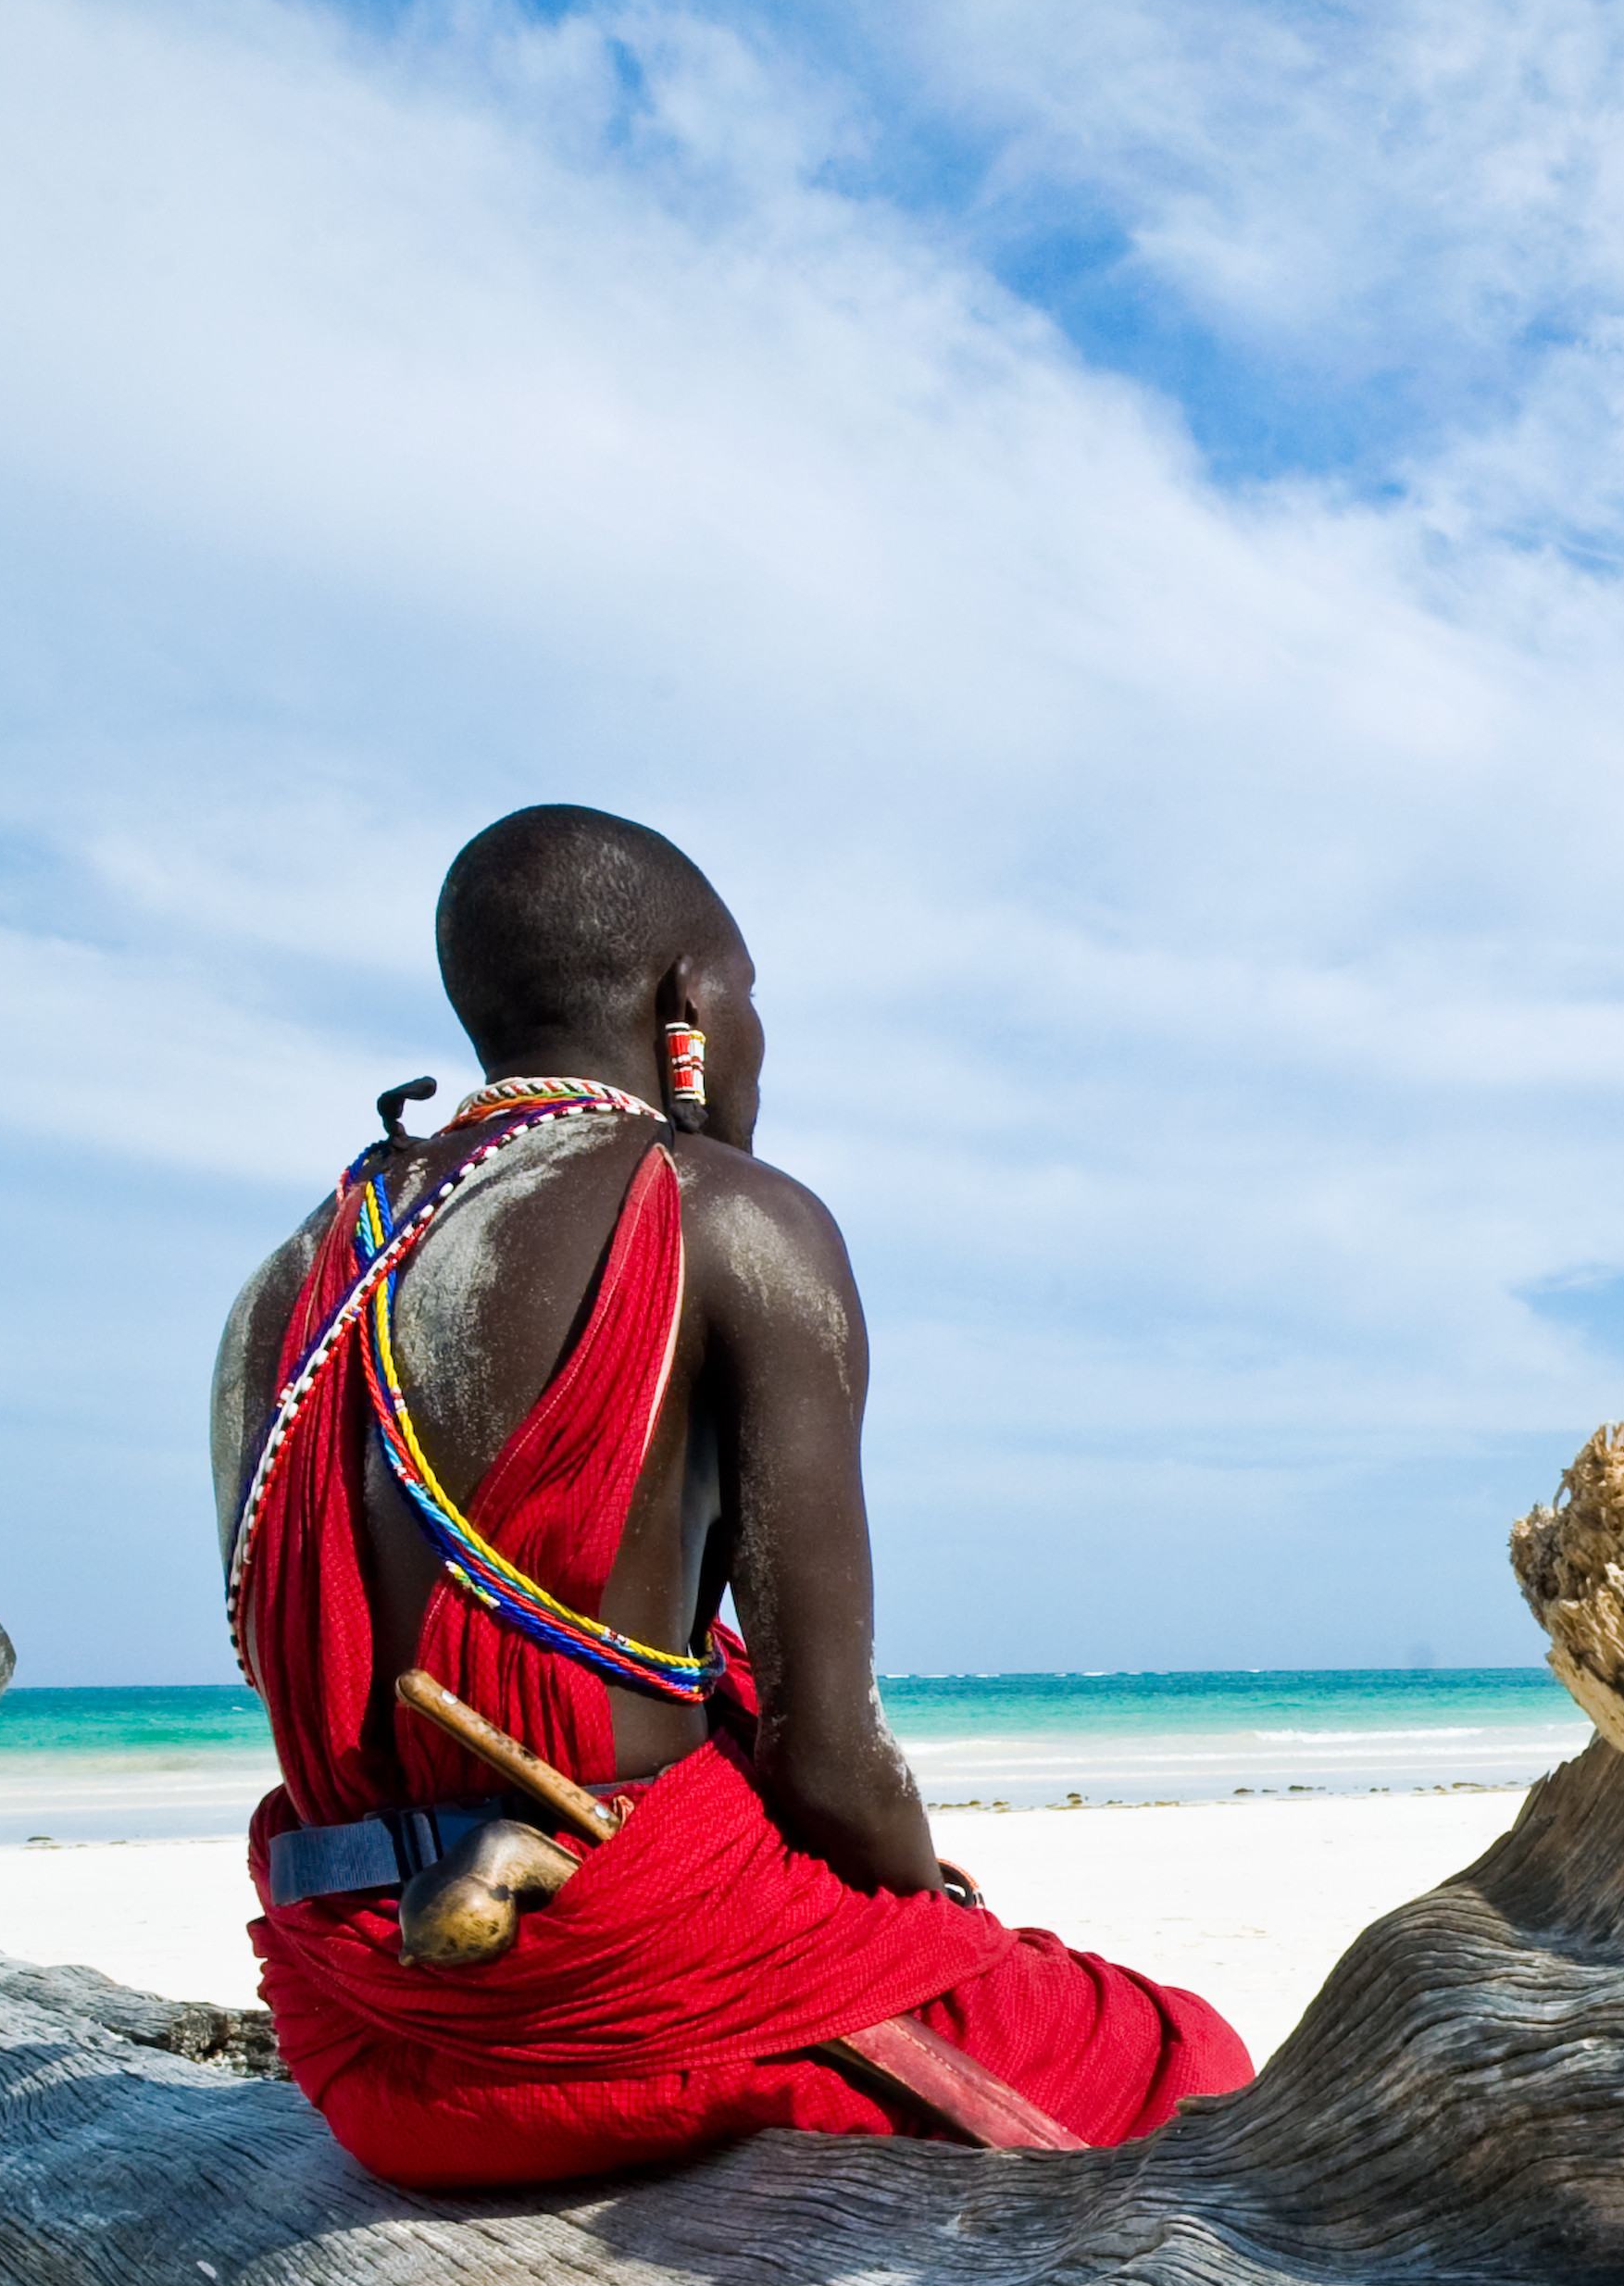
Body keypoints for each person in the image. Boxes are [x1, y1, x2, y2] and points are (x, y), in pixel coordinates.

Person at [213, 806, 1251, 2190]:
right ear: (687, 1005)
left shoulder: (290, 1282)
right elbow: (834, 1763)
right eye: (750, 1002)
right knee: (1185, 2061)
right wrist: (927, 1913)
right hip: (613, 2008)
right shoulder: (723, 1214)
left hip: (368, 2031)